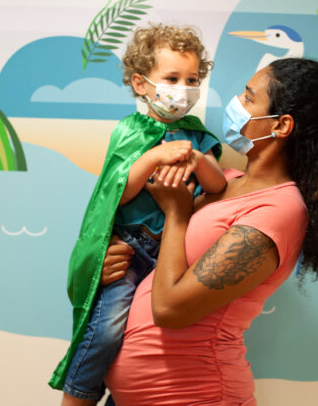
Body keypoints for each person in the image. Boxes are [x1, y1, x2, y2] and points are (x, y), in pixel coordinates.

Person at [99, 57, 318, 405]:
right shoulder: (224, 180)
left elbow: (170, 310)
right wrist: (121, 262)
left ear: (282, 125)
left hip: (199, 396)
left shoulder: (279, 211)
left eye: (248, 97)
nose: (235, 105)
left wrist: (177, 214)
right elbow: (168, 266)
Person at [49, 24, 227, 406]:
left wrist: (196, 158)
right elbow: (117, 191)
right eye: (172, 78)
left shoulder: (196, 134)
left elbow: (216, 186)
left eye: (192, 79)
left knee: (144, 341)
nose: (183, 88)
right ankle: (78, 396)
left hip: (172, 255)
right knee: (108, 329)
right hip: (130, 248)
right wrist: (154, 157)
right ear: (141, 84)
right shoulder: (130, 130)